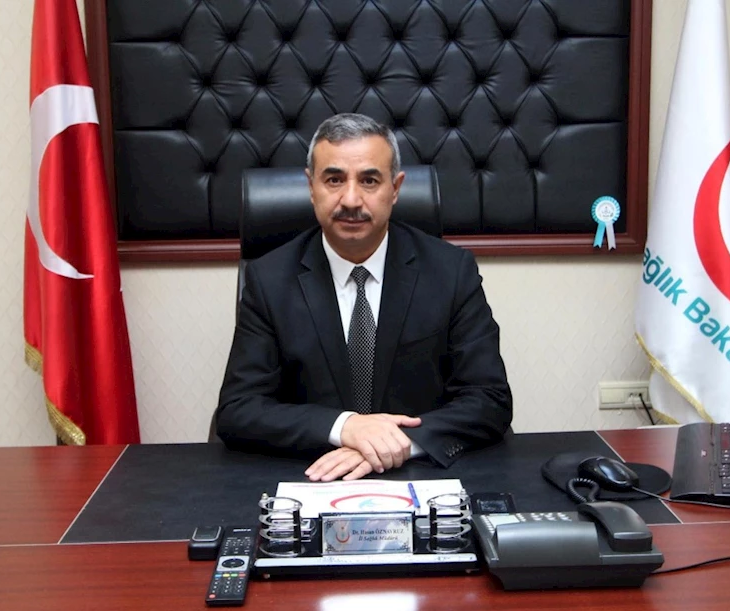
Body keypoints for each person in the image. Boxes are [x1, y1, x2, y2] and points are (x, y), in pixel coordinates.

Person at [215, 113, 512, 482]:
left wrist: (395, 443)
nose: (351, 199)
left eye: (369, 180)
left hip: (421, 475)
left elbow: (489, 399)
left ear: (395, 188)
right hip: (313, 476)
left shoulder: (451, 271)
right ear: (311, 187)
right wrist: (345, 427)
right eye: (334, 180)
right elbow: (238, 409)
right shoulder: (270, 280)